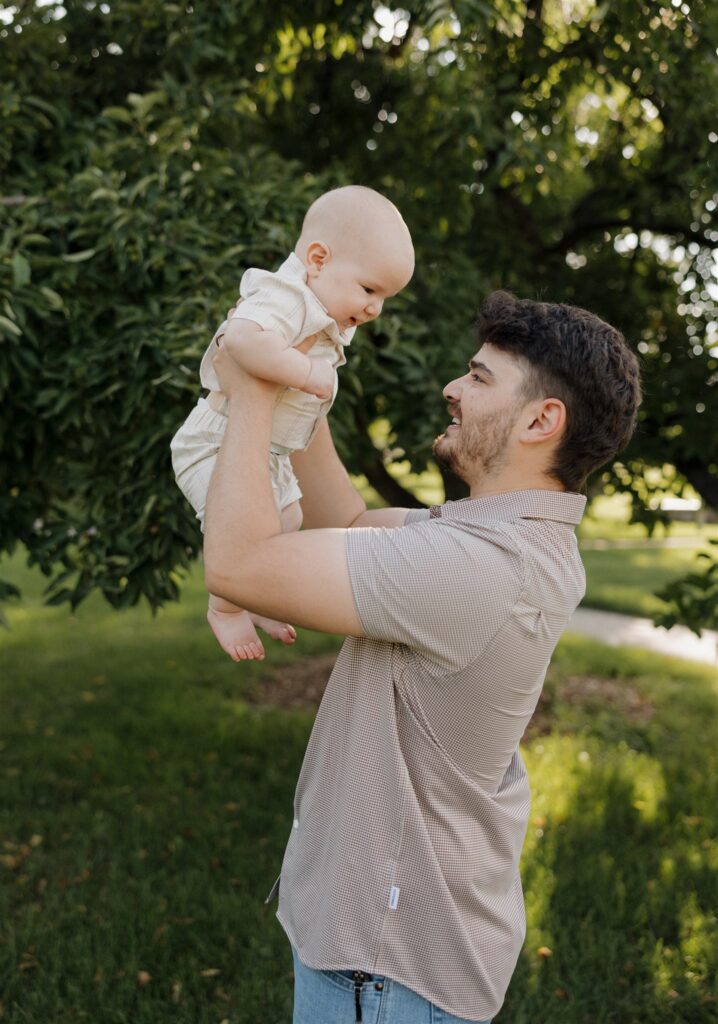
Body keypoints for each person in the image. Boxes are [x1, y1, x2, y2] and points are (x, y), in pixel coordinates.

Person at [203, 290, 641, 1024]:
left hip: (383, 971)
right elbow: (348, 522)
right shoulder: (502, 539)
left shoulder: (479, 566)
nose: (452, 387)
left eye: (478, 377)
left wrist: (251, 387)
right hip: (391, 956)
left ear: (541, 421)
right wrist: (300, 388)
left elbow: (239, 565)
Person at [170, 185, 414, 661]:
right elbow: (239, 339)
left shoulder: (320, 312)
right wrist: (303, 373)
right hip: (215, 441)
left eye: (385, 298)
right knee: (242, 541)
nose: (374, 309)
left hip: (269, 451)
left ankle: (256, 597)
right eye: (369, 290)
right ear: (318, 259)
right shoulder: (285, 297)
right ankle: (225, 606)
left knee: (289, 522)